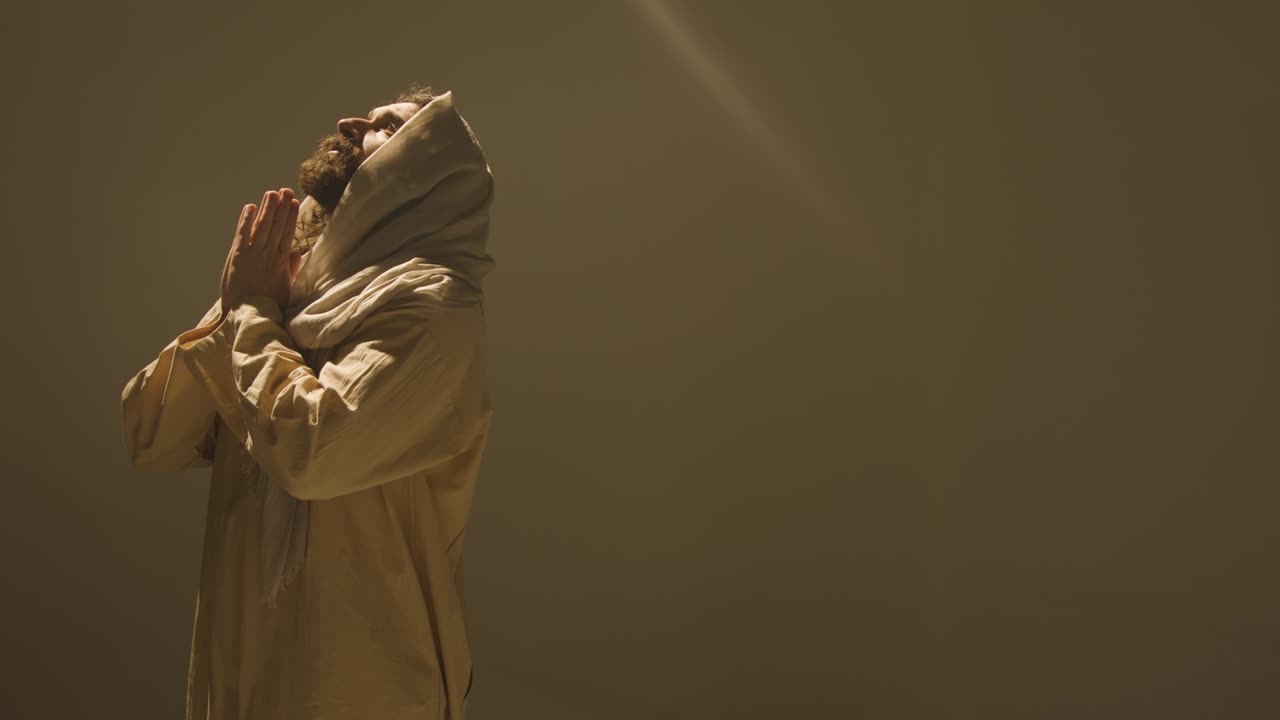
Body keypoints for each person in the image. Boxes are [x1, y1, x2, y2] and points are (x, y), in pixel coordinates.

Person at [120, 83, 495, 720]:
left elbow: (312, 453)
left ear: (423, 178)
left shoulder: (435, 310)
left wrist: (253, 312)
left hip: (361, 688)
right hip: (242, 676)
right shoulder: (290, 295)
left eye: (386, 125)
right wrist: (243, 309)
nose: (351, 122)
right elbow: (151, 436)